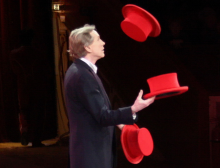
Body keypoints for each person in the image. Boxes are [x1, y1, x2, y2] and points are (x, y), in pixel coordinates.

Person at [64, 24, 155, 168]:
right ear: (87, 47)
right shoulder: (82, 75)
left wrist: (120, 123)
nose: (103, 43)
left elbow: (94, 111)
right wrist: (133, 109)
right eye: (98, 39)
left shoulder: (82, 71)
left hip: (91, 153)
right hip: (91, 156)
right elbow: (102, 116)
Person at [10, 29, 46, 147]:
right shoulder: (38, 53)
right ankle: (36, 139)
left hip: (22, 86)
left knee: (24, 111)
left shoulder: (14, 54)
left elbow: (14, 71)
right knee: (37, 111)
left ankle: (25, 132)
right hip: (36, 85)